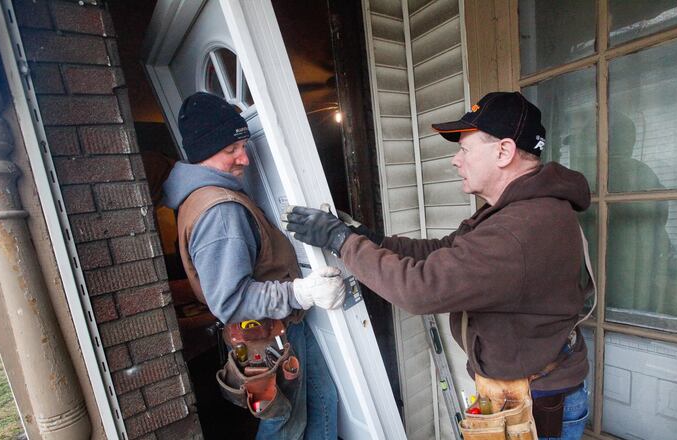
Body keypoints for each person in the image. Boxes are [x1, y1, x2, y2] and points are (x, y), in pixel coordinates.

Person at [286, 92, 592, 439]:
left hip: (536, 403)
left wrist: (341, 241)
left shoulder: (518, 228)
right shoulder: (518, 209)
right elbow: (444, 250)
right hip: (520, 388)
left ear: (504, 152)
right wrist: (371, 239)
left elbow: (420, 289)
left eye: (464, 149)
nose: (455, 161)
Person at [162, 91, 341, 439]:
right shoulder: (220, 212)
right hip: (269, 339)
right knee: (283, 423)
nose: (244, 158)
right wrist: (300, 291)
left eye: (242, 146)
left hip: (271, 334)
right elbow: (229, 301)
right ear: (203, 153)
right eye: (231, 150)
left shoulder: (208, 195)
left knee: (319, 403)